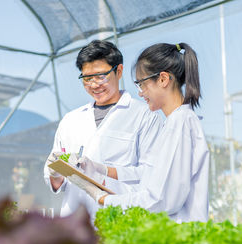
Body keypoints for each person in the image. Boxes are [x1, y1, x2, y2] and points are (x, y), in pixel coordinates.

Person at [69, 42, 209, 222]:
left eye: (142, 84)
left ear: (163, 79)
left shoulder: (180, 123)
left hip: (177, 232)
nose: (141, 94)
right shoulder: (175, 122)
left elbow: (161, 200)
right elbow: (148, 175)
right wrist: (101, 169)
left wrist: (104, 198)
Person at [44, 40, 162, 219]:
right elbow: (57, 183)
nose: (93, 85)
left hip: (120, 220)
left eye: (100, 76)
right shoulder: (70, 120)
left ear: (119, 71)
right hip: (75, 223)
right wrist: (55, 173)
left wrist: (101, 172)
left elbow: (151, 174)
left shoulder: (144, 115)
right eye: (87, 78)